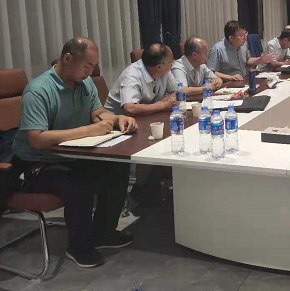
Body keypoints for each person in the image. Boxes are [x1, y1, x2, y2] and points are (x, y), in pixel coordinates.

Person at [12, 37, 137, 268]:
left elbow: (97, 112)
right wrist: (88, 130)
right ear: (68, 58)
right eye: (87, 66)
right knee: (79, 184)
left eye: (93, 67)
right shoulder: (38, 90)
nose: (90, 72)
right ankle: (79, 247)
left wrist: (117, 118)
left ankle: (103, 233)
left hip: (73, 155)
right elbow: (36, 139)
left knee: (117, 168)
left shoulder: (84, 83)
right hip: (37, 164)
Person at [104, 43, 178, 116]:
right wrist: (163, 106)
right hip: (115, 119)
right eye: (171, 61)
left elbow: (176, 92)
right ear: (159, 67)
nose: (173, 63)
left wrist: (166, 101)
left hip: (146, 116)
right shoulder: (132, 76)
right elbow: (130, 109)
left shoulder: (164, 71)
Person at [207, 21, 275, 81]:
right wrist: (230, 77)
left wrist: (261, 59)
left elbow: (247, 61)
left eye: (245, 34)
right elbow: (211, 72)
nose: (245, 38)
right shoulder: (217, 49)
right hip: (227, 84)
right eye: (241, 36)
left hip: (244, 80)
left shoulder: (243, 45)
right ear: (231, 38)